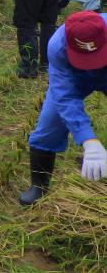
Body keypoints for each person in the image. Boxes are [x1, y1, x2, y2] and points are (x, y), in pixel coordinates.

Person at [20, 10, 107, 205]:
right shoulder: (57, 45)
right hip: (74, 77)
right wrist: (89, 140)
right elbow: (65, 97)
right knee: (50, 122)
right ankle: (39, 186)